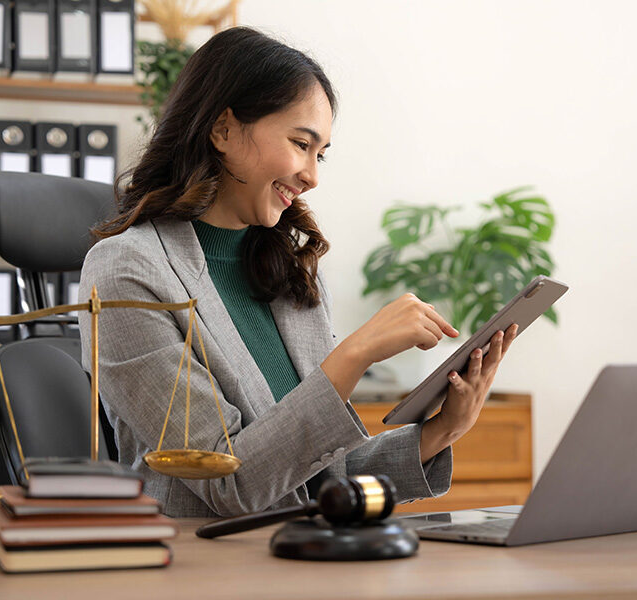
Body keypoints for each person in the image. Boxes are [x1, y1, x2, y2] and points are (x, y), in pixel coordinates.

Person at [79, 26, 518, 518]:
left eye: (320, 153)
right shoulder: (127, 270)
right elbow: (231, 482)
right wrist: (356, 352)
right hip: (200, 569)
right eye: (300, 143)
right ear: (223, 130)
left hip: (302, 556)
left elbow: (321, 475)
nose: (312, 176)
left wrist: (442, 430)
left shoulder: (287, 267)